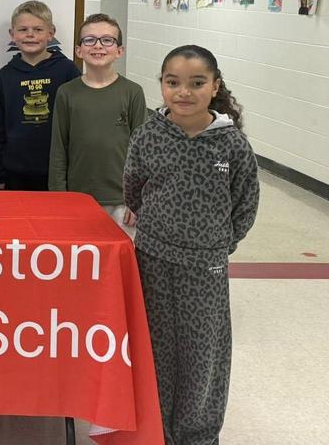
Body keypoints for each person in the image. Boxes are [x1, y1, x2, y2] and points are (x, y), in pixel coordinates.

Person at [123, 45, 259, 444]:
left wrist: (217, 244)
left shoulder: (232, 145)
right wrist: (160, 230)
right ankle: (156, 430)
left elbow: (245, 203)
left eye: (197, 83)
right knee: (157, 349)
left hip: (206, 267)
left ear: (214, 87)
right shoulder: (148, 135)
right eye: (173, 82)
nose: (183, 92)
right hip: (153, 259)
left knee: (202, 354)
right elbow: (134, 190)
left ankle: (196, 434)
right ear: (162, 85)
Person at [49, 13, 147, 233]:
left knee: (121, 254)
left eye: (107, 40)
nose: (98, 45)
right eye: (90, 40)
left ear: (119, 50)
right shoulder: (67, 93)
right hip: (77, 199)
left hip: (123, 202)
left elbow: (143, 152)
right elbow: (59, 149)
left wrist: (138, 198)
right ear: (79, 50)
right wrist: (58, 196)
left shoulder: (132, 92)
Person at [0, 0, 80, 190]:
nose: (30, 35)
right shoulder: (4, 77)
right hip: (15, 174)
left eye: (38, 29)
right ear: (12, 35)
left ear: (51, 33)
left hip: (58, 173)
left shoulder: (68, 71)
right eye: (23, 29)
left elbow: (79, 123)